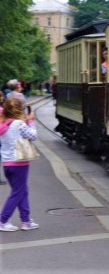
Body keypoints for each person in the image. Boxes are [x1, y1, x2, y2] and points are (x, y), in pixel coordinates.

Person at [0, 98, 39, 231]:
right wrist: (31, 121)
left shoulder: (3, 123)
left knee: (22, 191)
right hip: (19, 163)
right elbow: (33, 136)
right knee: (17, 192)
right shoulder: (19, 124)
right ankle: (3, 220)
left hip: (7, 164)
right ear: (19, 110)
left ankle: (26, 220)